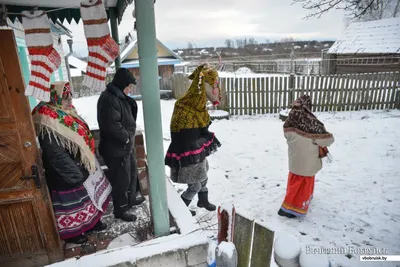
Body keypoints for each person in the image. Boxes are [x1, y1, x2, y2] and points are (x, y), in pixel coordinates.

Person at [32, 82, 109, 244]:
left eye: (70, 96)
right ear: (55, 97)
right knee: (70, 204)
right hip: (63, 171)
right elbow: (55, 154)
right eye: (65, 97)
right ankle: (72, 233)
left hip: (77, 165)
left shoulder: (64, 113)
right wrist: (73, 174)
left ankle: (90, 224)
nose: (69, 100)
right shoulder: (48, 119)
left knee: (85, 200)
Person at [165, 64, 222, 216]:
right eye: (214, 85)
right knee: (195, 185)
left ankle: (203, 200)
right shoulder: (183, 107)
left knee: (203, 177)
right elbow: (178, 132)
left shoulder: (200, 107)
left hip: (198, 148)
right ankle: (180, 210)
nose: (216, 89)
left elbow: (202, 126)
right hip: (186, 153)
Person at [97, 68, 145, 222]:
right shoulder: (109, 99)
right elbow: (112, 126)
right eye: (129, 86)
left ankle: (130, 200)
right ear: (121, 84)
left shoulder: (119, 97)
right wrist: (126, 138)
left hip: (124, 147)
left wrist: (127, 140)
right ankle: (121, 209)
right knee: (121, 181)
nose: (130, 89)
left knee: (131, 176)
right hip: (116, 149)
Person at [278, 95, 335, 218]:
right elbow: (327, 140)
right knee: (304, 184)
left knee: (294, 182)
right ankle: (296, 208)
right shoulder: (312, 123)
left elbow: (288, 136)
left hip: (294, 160)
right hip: (308, 162)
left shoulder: (289, 120)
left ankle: (288, 205)